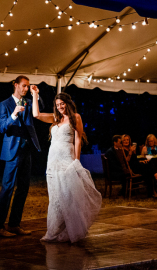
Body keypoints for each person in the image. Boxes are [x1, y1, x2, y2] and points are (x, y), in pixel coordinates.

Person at [31, 90, 101, 242]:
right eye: (57, 105)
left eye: (62, 104)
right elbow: (36, 114)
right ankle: (54, 231)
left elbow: (77, 140)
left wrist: (76, 161)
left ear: (68, 103)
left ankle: (72, 230)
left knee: (68, 196)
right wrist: (35, 95)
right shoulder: (56, 118)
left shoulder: (76, 117)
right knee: (55, 197)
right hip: (53, 161)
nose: (60, 107)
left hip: (66, 160)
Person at [0, 76, 42, 237]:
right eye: (24, 86)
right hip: (12, 151)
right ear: (16, 85)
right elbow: (1, 128)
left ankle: (14, 224)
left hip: (26, 150)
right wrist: (13, 114)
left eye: (28, 86)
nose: (26, 89)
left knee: (23, 188)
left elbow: (39, 110)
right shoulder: (4, 104)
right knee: (7, 188)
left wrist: (36, 95)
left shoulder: (28, 101)